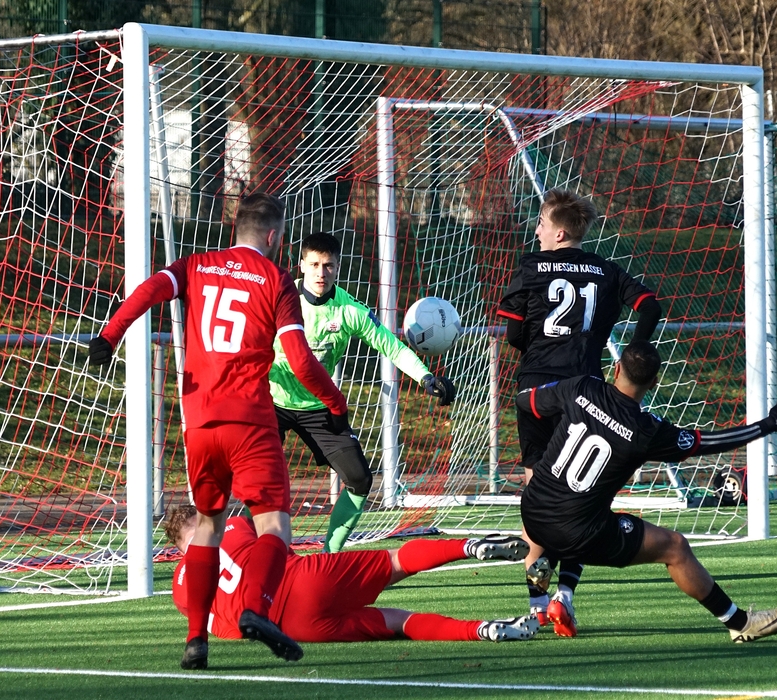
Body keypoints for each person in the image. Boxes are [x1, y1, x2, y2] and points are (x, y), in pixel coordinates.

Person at [88, 193, 350, 670]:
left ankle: (196, 640)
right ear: (274, 236)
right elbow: (299, 359)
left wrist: (110, 334)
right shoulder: (276, 279)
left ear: (235, 229)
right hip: (250, 421)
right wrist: (336, 403)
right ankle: (256, 608)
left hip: (200, 425)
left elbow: (151, 289)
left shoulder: (195, 265)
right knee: (274, 524)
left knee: (209, 525)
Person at [518, 340, 777, 643]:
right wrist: (769, 424)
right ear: (654, 382)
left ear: (616, 369)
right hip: (576, 530)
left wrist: (545, 454)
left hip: (533, 510)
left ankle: (546, 587)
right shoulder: (647, 431)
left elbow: (526, 402)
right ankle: (740, 623)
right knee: (675, 547)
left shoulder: (581, 387)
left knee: (591, 512)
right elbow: (709, 442)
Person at [496, 188, 663, 636]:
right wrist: (634, 350)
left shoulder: (531, 266)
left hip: (537, 390)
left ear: (559, 232)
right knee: (583, 495)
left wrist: (538, 346)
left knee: (539, 495)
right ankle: (565, 594)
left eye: (541, 223)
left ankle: (536, 606)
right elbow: (650, 305)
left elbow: (512, 334)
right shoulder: (606, 270)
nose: (536, 230)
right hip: (586, 393)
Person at [270, 232, 456, 553]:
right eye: (314, 264)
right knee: (261, 481)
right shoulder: (279, 299)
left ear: (338, 267)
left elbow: (391, 346)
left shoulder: (349, 310)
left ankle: (329, 555)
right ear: (301, 265)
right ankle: (245, 550)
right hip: (272, 403)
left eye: (328, 265)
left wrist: (425, 377)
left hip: (320, 406)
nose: (321, 273)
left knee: (360, 479)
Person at [164, 504, 539, 644]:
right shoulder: (232, 527)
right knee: (396, 561)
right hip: (303, 579)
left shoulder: (180, 588)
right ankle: (467, 546)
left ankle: (481, 630)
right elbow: (276, 545)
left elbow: (222, 627)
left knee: (398, 623)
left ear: (180, 548)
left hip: (294, 629)